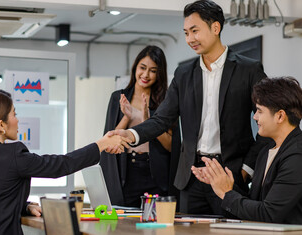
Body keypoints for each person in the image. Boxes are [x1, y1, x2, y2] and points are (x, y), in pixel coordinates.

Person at [108, 0, 267, 214]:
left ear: (215, 28)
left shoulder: (249, 70)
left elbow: (270, 120)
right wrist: (130, 134)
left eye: (194, 31)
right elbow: (161, 119)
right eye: (185, 33)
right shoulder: (183, 74)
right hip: (191, 178)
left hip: (228, 176)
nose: (189, 39)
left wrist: (246, 169)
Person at [0, 86, 130, 235]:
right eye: (14, 114)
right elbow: (60, 165)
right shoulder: (13, 154)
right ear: (1, 124)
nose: (18, 120)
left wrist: (25, 207)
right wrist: (100, 145)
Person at [192, 77, 302, 226]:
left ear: (280, 116)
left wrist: (227, 193)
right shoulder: (266, 152)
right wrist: (221, 183)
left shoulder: (300, 156)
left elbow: (267, 214)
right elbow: (255, 205)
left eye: (260, 111)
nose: (255, 117)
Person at [100, 45, 181, 207]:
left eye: (153, 70)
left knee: (157, 227)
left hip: (156, 173)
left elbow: (172, 146)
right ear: (135, 67)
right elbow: (109, 141)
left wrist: (148, 122)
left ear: (159, 73)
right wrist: (127, 117)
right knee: (126, 225)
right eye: (142, 68)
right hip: (127, 172)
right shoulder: (118, 97)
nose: (145, 75)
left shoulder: (166, 102)